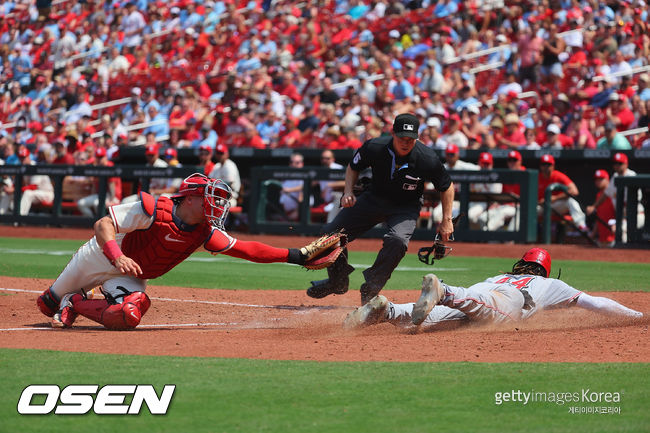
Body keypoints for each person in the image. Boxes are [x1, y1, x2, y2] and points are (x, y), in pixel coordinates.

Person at [36, 173, 322, 329]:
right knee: (46, 304)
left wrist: (297, 256)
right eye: (210, 198)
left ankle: (74, 303)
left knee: (130, 313)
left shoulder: (204, 231)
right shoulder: (154, 210)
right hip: (101, 256)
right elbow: (103, 225)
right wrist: (117, 256)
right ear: (189, 199)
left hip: (132, 273)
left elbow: (248, 249)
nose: (217, 206)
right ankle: (63, 301)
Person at [306, 113, 455, 305]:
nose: (406, 142)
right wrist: (348, 191)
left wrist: (447, 220)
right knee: (329, 233)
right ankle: (338, 281)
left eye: (411, 139)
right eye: (402, 137)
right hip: (374, 198)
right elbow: (353, 167)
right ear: (393, 134)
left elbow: (447, 186)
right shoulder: (375, 147)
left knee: (398, 240)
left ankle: (372, 287)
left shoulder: (427, 157)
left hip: (405, 206)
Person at [344, 248, 643, 330]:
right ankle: (443, 290)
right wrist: (636, 316)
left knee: (433, 317)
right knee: (474, 305)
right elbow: (595, 303)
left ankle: (387, 309)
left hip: (484, 291)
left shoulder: (500, 276)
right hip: (507, 303)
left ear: (521, 263)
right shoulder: (549, 283)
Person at [586, 153, 644, 242]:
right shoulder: (615, 177)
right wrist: (594, 206)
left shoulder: (631, 175)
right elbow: (606, 194)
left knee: (620, 230)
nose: (617, 166)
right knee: (619, 231)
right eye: (615, 163)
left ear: (626, 164)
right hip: (623, 216)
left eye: (620, 164)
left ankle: (625, 254)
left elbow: (633, 201)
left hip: (635, 215)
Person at [537, 154, 587, 233]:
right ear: (540, 166)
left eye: (548, 165)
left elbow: (575, 191)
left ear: (553, 166)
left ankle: (581, 225)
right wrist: (540, 201)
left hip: (556, 205)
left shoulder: (558, 176)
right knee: (528, 210)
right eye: (544, 165)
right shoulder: (537, 177)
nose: (546, 167)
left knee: (571, 201)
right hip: (541, 207)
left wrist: (555, 198)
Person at [77, 148, 122, 217]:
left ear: (105, 157)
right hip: (101, 195)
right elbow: (95, 184)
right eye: (98, 157)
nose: (99, 159)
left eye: (101, 157)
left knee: (97, 204)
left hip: (113, 196)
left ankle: (102, 224)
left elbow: (112, 186)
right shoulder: (97, 167)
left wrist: (112, 200)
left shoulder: (110, 166)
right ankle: (92, 222)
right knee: (81, 203)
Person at [587, 169, 616, 247]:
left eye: (601, 179)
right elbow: (599, 218)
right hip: (601, 239)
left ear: (608, 180)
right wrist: (593, 233)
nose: (598, 181)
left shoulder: (613, 195)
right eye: (596, 179)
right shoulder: (599, 196)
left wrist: (616, 225)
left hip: (614, 238)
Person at [208, 143, 241, 207]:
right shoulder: (217, 166)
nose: (219, 155)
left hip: (230, 198)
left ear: (227, 154)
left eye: (221, 153)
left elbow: (228, 185)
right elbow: (209, 180)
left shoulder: (230, 166)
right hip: (217, 197)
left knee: (214, 203)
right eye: (218, 153)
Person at [279, 152, 305, 221]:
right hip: (286, 213)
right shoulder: (286, 176)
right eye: (291, 162)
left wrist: (297, 211)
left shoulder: (304, 175)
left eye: (297, 163)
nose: (293, 164)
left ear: (302, 164)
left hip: (299, 214)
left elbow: (303, 192)